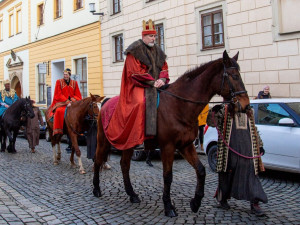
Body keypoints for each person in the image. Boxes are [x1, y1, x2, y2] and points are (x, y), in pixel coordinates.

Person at [104, 19, 169, 150]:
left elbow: (164, 67)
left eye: (155, 36)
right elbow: (135, 73)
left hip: (157, 83)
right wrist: (152, 81)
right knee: (139, 102)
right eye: (150, 36)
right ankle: (137, 136)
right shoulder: (134, 51)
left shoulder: (158, 50)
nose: (153, 39)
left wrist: (162, 79)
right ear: (143, 36)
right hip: (137, 85)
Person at [207, 103, 268, 217]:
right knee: (225, 176)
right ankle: (222, 199)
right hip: (228, 152)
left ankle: (255, 203)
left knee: (251, 176)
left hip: (247, 151)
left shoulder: (249, 111)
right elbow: (211, 123)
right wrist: (213, 112)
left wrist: (259, 144)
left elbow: (254, 128)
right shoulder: (224, 110)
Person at [48, 68, 82, 136]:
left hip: (72, 103)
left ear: (69, 75)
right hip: (62, 102)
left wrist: (72, 101)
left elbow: (78, 94)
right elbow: (58, 94)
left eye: (66, 74)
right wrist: (67, 102)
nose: (65, 76)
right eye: (64, 74)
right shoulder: (59, 82)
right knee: (59, 111)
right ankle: (58, 129)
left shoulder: (74, 83)